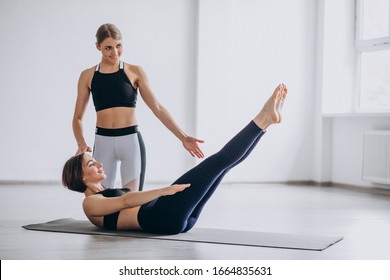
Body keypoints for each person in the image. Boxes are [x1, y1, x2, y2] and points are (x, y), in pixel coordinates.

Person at [63, 84, 288, 234]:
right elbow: (126, 202)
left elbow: (127, 201)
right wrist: (163, 191)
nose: (100, 163)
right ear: (81, 177)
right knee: (216, 162)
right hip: (161, 216)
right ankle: (262, 118)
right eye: (92, 164)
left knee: (222, 168)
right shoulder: (90, 203)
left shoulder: (103, 193)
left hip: (174, 219)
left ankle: (266, 123)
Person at [72, 23, 204, 192]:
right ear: (98, 47)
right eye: (108, 48)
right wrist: (81, 143)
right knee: (102, 199)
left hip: (130, 141)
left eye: (118, 46)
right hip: (103, 141)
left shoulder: (134, 72)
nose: (115, 53)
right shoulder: (87, 76)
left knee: (132, 200)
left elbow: (157, 108)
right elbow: (77, 118)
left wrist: (183, 137)